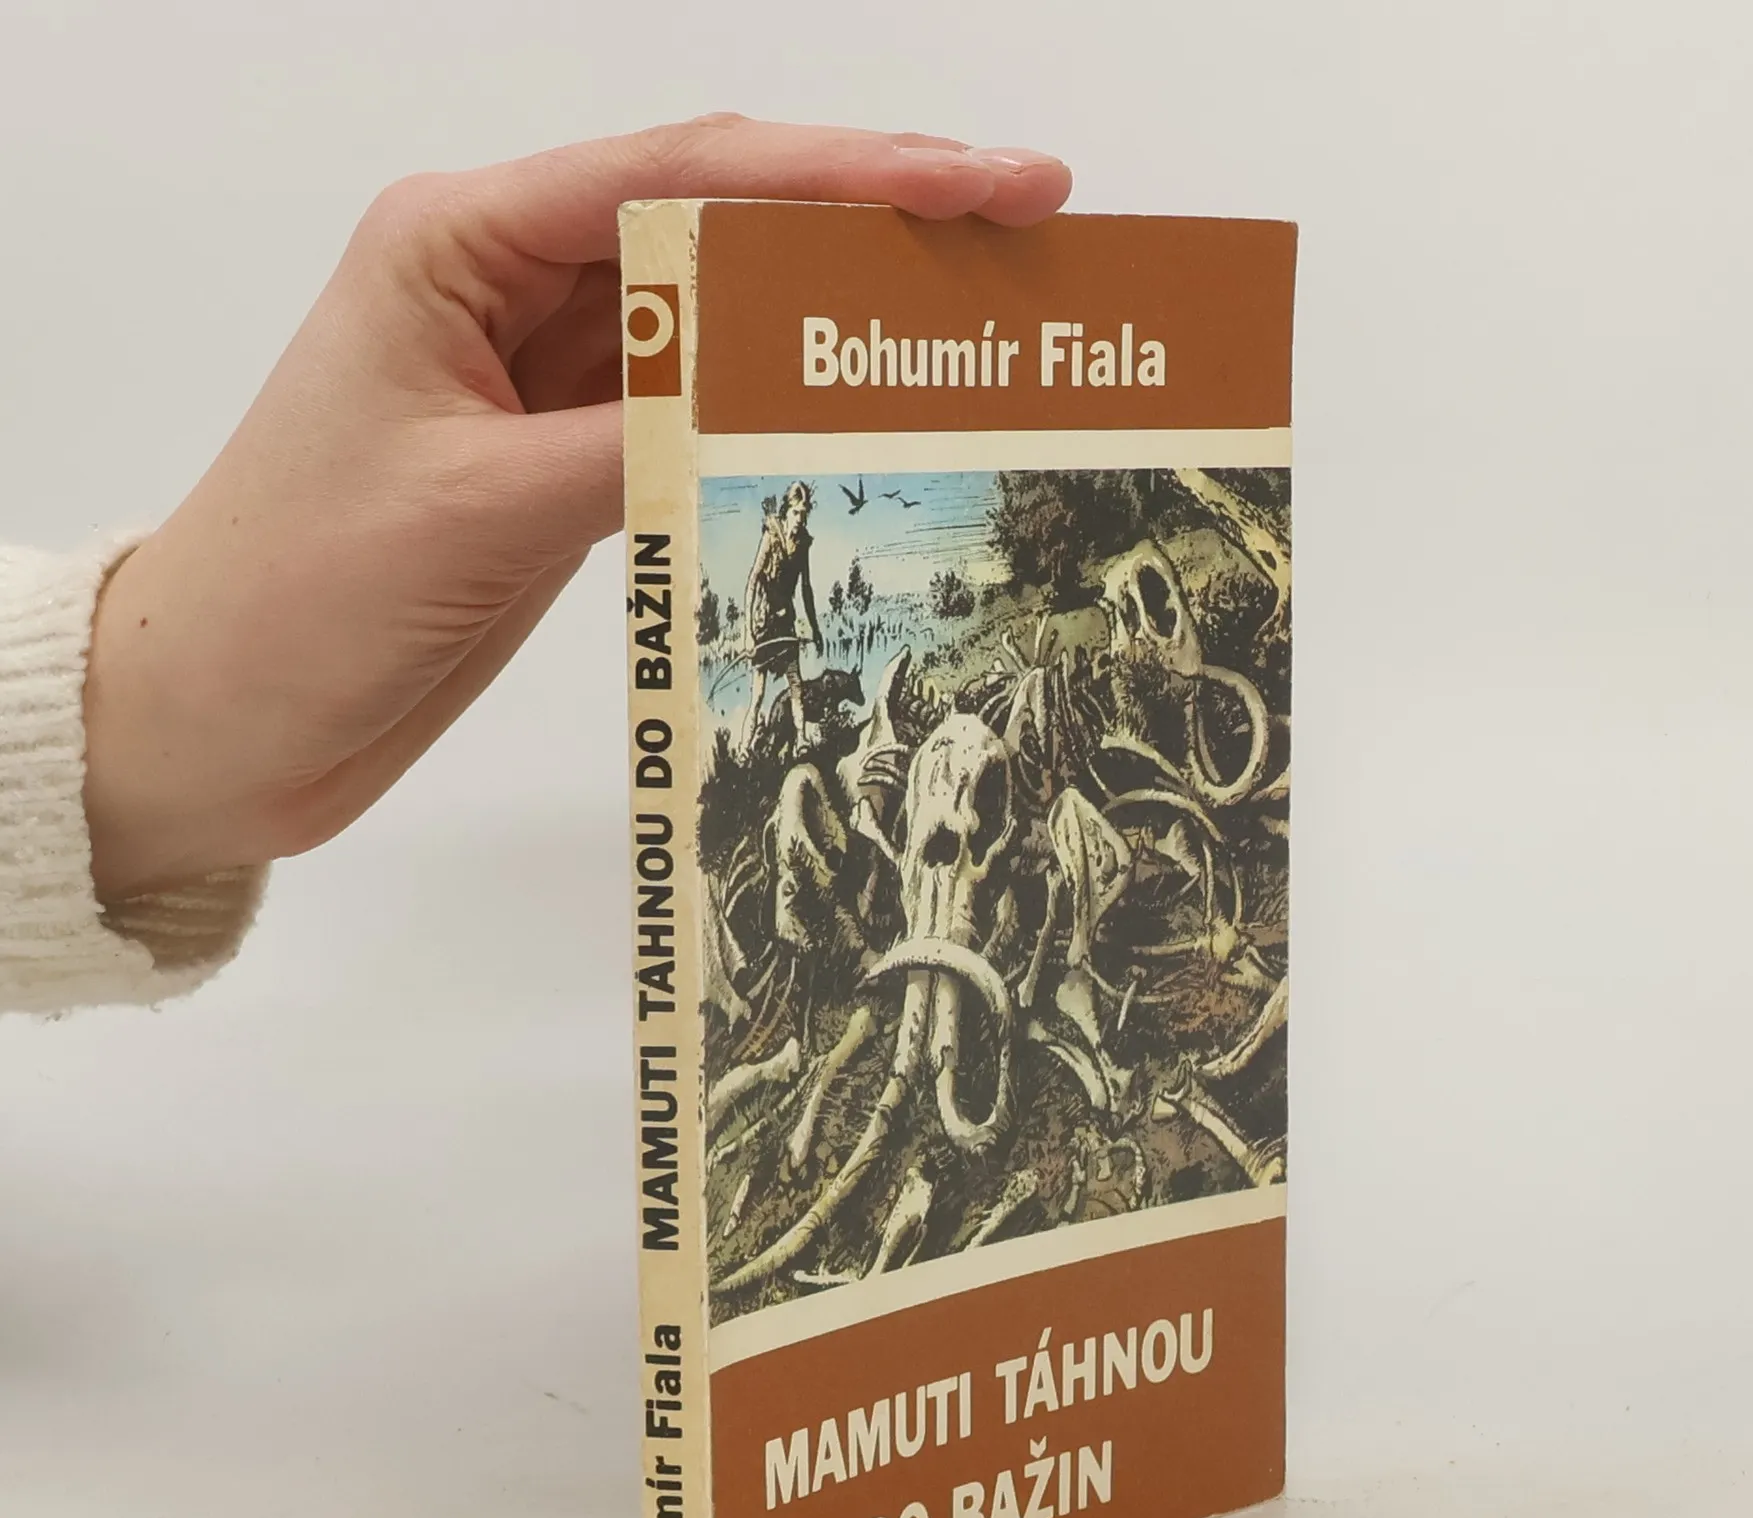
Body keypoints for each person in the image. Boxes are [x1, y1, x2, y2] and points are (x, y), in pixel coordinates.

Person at [0, 117, 1069, 1019]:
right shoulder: (777, 544)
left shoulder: (794, 547)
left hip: (781, 635)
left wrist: (132, 741)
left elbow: (789, 596)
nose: (794, 508)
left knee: (783, 706)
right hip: (774, 637)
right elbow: (768, 594)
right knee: (776, 713)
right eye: (791, 502)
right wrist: (137, 726)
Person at [739, 481, 822, 754]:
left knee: (796, 684)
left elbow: (806, 588)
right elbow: (752, 581)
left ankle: (801, 741)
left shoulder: (803, 543)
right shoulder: (771, 535)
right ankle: (744, 748)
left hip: (786, 622)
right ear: (787, 511)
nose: (800, 519)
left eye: (804, 513)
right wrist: (747, 633)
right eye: (796, 512)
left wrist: (815, 629)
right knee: (758, 694)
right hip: (764, 622)